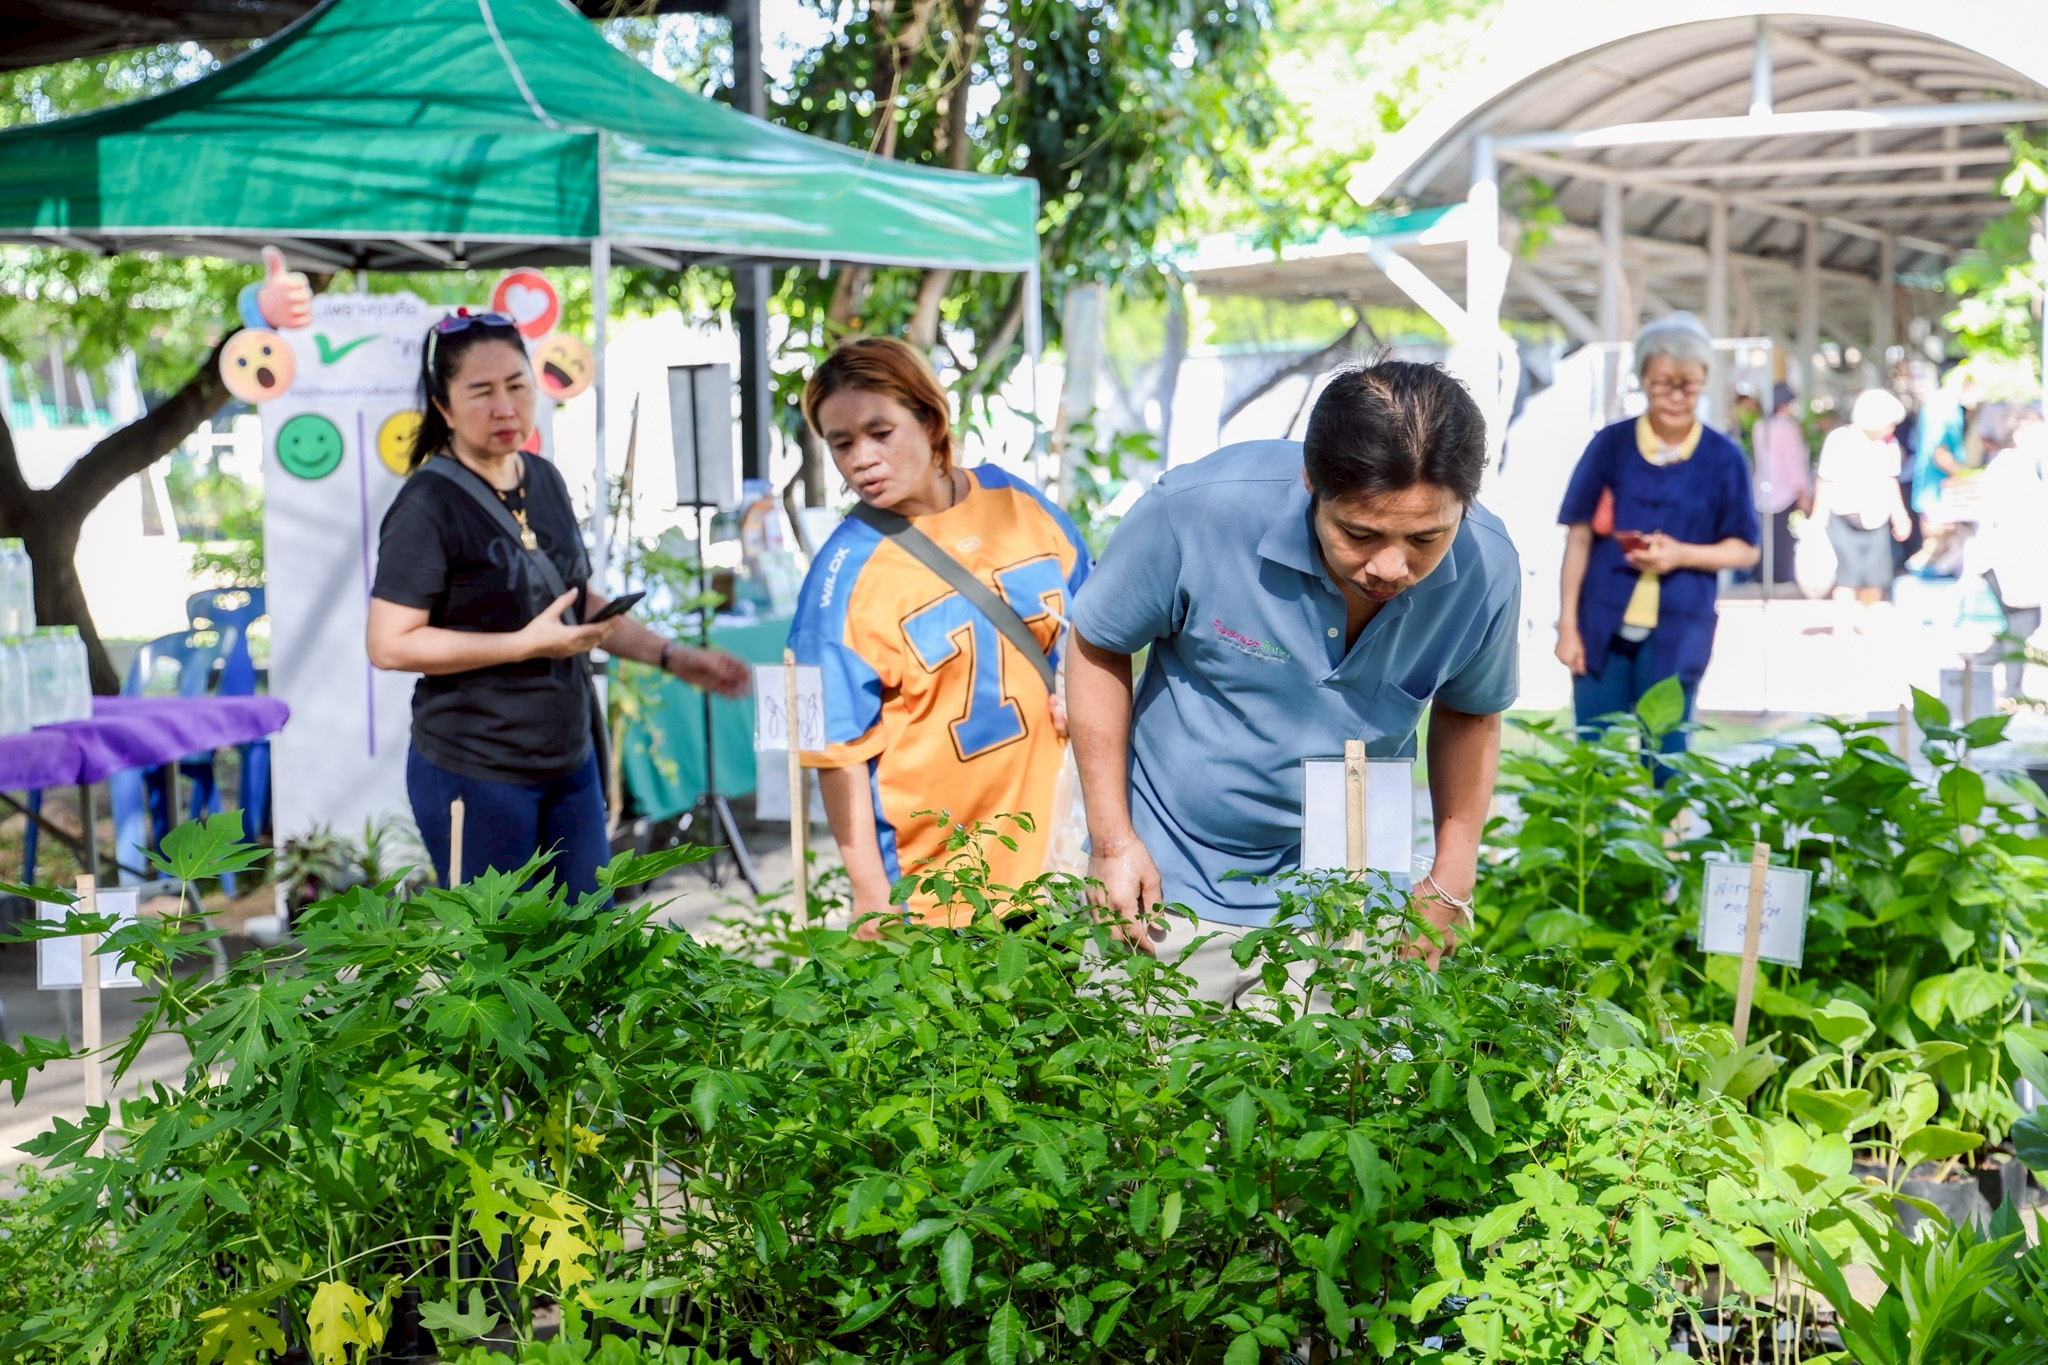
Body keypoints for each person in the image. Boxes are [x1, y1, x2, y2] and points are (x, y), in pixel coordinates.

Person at [1066, 360, 1521, 1006]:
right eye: (1359, 533)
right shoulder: (1197, 514)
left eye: (1427, 537)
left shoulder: (1488, 567)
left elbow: (1470, 710)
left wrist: (1451, 880)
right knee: (1142, 1099)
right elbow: (1097, 641)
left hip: (1351, 898)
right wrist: (1112, 840)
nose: (1391, 566)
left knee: (1336, 1101)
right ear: (1312, 481)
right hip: (1171, 886)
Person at [366, 310, 750, 897]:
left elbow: (579, 600)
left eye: (517, 386)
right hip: (476, 768)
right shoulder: (427, 504)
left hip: (569, 761)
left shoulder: (543, 478)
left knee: (587, 948)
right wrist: (522, 645)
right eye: (481, 392)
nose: (505, 407)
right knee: (504, 966)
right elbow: (389, 643)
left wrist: (672, 657)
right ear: (442, 407)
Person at [788, 336, 1091, 933]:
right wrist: (870, 894)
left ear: (930, 418)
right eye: (841, 443)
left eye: (880, 431)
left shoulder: (1018, 501)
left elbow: (1091, 627)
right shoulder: (839, 577)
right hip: (940, 893)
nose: (861, 459)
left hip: (1061, 858)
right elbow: (835, 752)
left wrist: (1075, 692)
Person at [1554, 313, 1760, 756]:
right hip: (1599, 625)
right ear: (1643, 379)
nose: (1675, 396)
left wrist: (1682, 554)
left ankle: (1670, 830)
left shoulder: (1724, 458)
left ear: (1704, 380)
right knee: (1595, 756)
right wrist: (1567, 624)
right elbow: (1579, 536)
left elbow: (1745, 549)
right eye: (1662, 382)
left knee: (1666, 755)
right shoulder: (1610, 445)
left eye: (1688, 383)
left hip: (1679, 626)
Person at [1811, 388, 1911, 618]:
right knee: (1846, 575)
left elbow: (1890, 481)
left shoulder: (1889, 445)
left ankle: (1862, 618)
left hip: (1876, 518)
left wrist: (1900, 515)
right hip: (1843, 517)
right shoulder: (1839, 439)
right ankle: (1843, 623)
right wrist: (1819, 517)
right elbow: (1825, 479)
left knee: (1876, 579)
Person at [1969, 409, 2048, 695]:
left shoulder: (2022, 466)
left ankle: (1984, 671)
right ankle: (2009, 688)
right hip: (2008, 559)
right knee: (2021, 622)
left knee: (2022, 624)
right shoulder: (2009, 467)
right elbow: (2008, 519)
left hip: (2015, 559)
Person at [1752, 384, 1811, 586]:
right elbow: (1793, 462)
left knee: (1766, 536)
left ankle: (1762, 575)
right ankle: (1779, 576)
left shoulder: (1760, 426)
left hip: (1763, 489)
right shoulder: (1787, 428)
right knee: (1783, 539)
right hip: (1785, 491)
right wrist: (1802, 491)